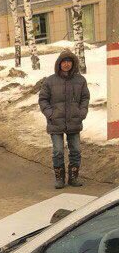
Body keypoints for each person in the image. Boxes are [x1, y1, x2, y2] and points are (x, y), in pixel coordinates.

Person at [38, 49, 90, 189]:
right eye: (64, 62)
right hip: (56, 122)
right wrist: (50, 114)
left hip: (74, 121)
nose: (66, 64)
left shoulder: (80, 80)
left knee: (76, 150)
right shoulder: (50, 81)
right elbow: (43, 100)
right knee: (58, 151)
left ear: (73, 64)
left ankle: (73, 177)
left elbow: (85, 98)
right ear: (59, 64)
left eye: (69, 62)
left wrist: (82, 112)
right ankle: (59, 178)